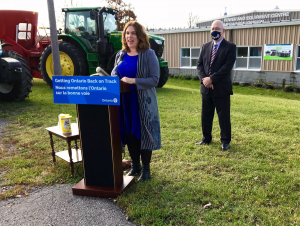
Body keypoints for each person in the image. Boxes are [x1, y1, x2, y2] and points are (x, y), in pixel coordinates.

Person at [111, 21, 161, 182]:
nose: (129, 36)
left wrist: (133, 81)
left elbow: (155, 80)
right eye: (127, 33)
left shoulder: (148, 54)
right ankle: (135, 165)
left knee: (143, 133)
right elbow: (114, 74)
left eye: (133, 33)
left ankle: (146, 169)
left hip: (142, 103)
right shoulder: (120, 55)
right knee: (129, 133)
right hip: (124, 102)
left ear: (140, 36)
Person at [195, 20, 236, 151]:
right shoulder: (205, 46)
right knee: (206, 115)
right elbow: (199, 65)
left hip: (221, 89)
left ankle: (225, 141)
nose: (215, 31)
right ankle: (206, 138)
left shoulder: (230, 47)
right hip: (206, 88)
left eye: (218, 28)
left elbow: (227, 67)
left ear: (223, 31)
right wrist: (204, 80)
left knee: (223, 116)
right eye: (213, 28)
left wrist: (211, 79)